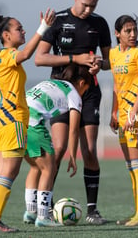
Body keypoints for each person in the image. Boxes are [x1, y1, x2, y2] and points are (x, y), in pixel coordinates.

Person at [34, 0, 111, 225]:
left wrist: (101, 64)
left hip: (88, 92)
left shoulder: (99, 24)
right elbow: (40, 58)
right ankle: (44, 208)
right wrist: (74, 58)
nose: (89, 10)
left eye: (94, 5)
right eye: (86, 4)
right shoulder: (57, 20)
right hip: (60, 93)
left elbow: (111, 61)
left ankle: (92, 210)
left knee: (89, 151)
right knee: (57, 150)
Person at [0, 8, 55, 233]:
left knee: (1, 170)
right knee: (9, 172)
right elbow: (25, 55)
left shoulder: (1, 57)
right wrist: (43, 29)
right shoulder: (7, 55)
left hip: (4, 120)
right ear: (5, 36)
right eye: (18, 28)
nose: (23, 31)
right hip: (12, 120)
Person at [23, 64, 92, 227]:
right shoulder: (74, 94)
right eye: (86, 89)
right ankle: (43, 216)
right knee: (49, 168)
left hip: (17, 122)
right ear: (82, 83)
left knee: (35, 167)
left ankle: (31, 212)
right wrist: (73, 156)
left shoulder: (51, 82)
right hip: (33, 123)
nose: (84, 93)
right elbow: (74, 129)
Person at [109, 14, 138, 227]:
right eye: (127, 31)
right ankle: (137, 212)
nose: (133, 34)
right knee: (130, 165)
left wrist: (133, 113)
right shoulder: (113, 53)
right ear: (117, 34)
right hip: (123, 115)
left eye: (134, 29)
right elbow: (116, 86)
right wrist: (114, 112)